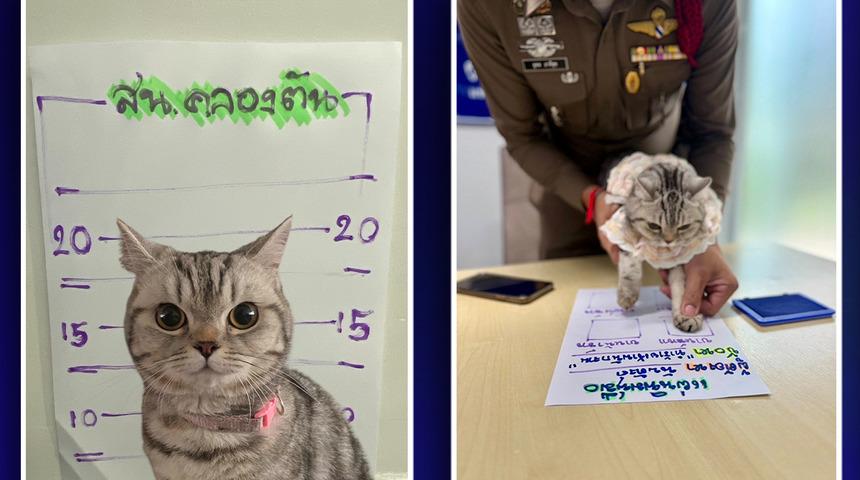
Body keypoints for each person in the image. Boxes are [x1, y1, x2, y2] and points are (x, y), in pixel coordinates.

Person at [458, 0, 739, 317]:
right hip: (567, 188)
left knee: (666, 311)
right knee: (562, 318)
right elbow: (523, 136)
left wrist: (703, 234)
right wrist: (592, 199)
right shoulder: (488, 6)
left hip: (667, 196)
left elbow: (710, 133)